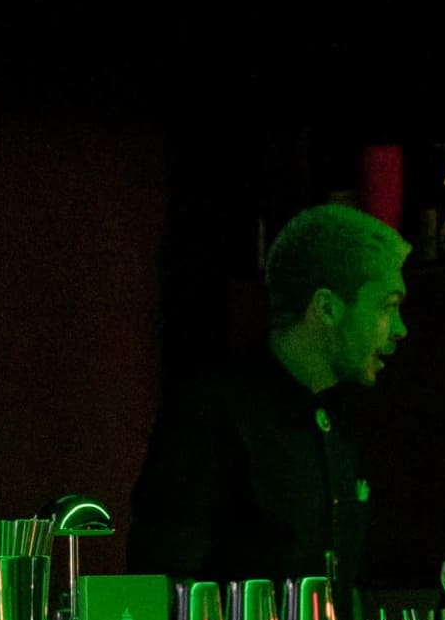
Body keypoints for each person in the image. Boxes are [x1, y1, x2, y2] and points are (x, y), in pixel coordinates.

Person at [131, 203, 408, 592]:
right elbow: (161, 583)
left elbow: (343, 587)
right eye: (388, 307)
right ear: (327, 308)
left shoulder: (337, 417)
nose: (400, 329)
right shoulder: (211, 412)